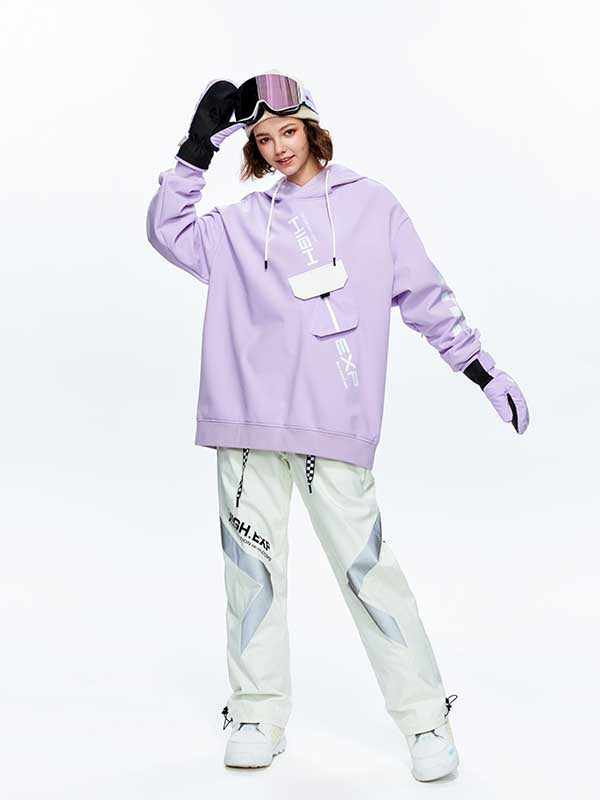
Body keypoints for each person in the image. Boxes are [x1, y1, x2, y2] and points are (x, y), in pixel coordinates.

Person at [146, 70, 530, 779]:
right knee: (251, 573)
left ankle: (425, 718)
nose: (279, 147)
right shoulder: (241, 223)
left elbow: (425, 295)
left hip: (331, 421)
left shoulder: (370, 206)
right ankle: (257, 712)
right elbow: (168, 231)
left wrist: (481, 370)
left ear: (312, 128)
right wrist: (196, 150)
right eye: (264, 137)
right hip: (246, 425)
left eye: (288, 130)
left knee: (367, 572)